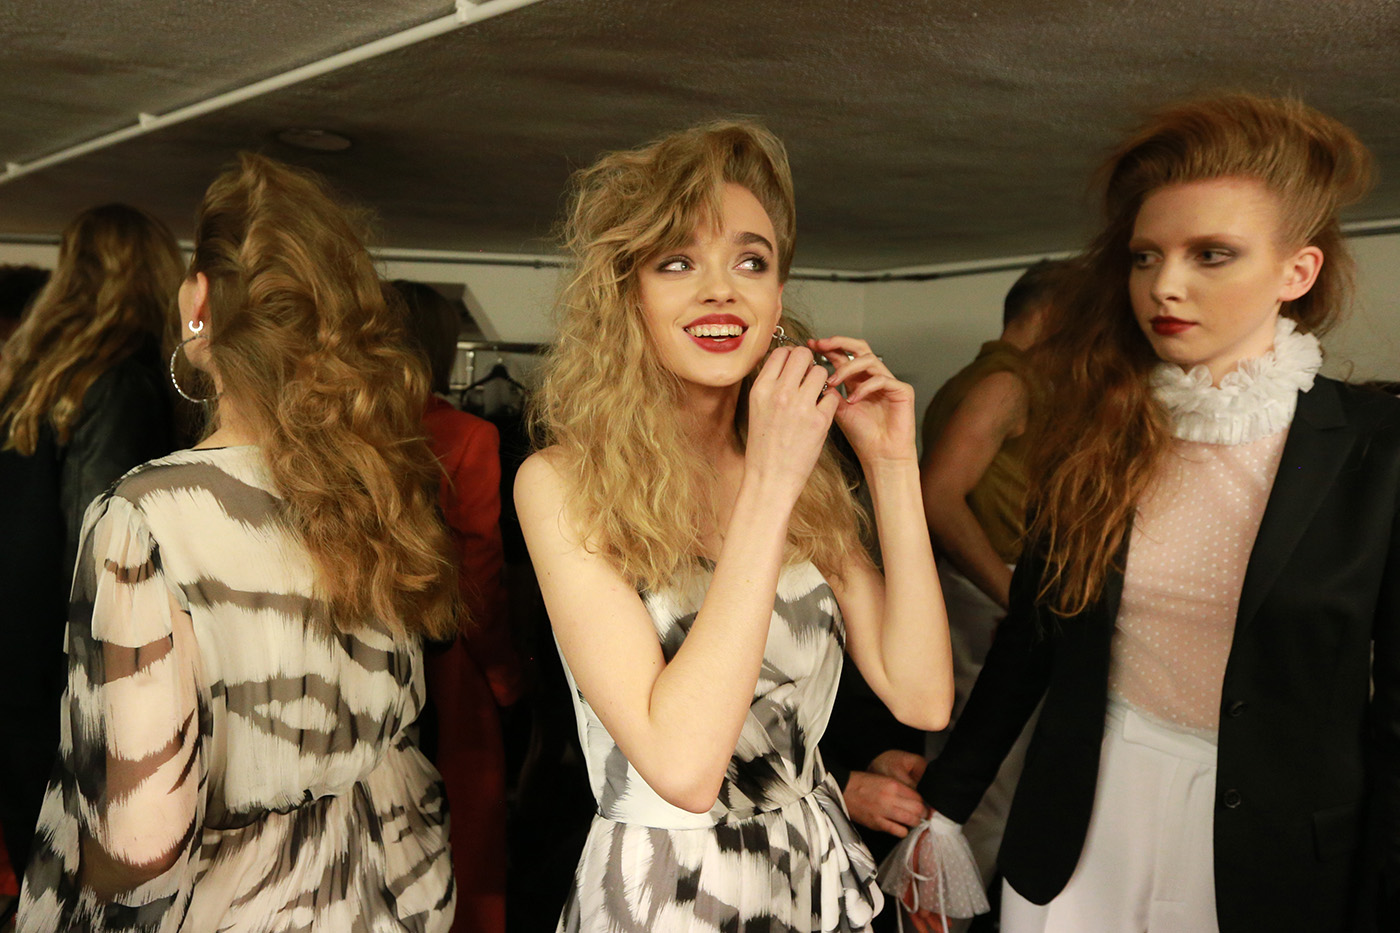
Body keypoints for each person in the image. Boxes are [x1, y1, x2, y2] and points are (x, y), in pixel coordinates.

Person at [904, 93, 1397, 933]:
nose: (1165, 284)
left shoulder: (1377, 448)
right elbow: (1031, 641)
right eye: (1145, 256)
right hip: (1083, 821)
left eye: (1212, 254)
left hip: (1273, 850)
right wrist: (943, 814)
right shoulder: (1096, 430)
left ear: (1297, 272)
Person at [517, 120, 954, 932]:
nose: (721, 289)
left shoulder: (805, 477)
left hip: (818, 873)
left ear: (777, 300)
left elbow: (923, 694)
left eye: (750, 262)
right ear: (629, 294)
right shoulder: (562, 483)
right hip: (675, 890)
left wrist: (892, 465)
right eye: (677, 261)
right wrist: (771, 481)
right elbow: (684, 768)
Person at [18, 154, 458, 932]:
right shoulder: (382, 501)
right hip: (368, 904)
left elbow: (141, 842)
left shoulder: (148, 517)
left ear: (198, 304)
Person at [0, 206, 181, 885]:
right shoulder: (119, 381)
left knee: (42, 863)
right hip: (69, 668)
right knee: (95, 877)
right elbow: (102, 550)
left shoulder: (26, 376)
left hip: (16, 659)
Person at [917, 260, 1066, 915]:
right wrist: (1013, 594)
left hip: (975, 592)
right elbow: (937, 495)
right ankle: (949, 917)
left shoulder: (973, 379)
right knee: (985, 785)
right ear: (1052, 315)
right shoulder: (1005, 383)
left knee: (973, 775)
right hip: (987, 594)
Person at [391, 278, 522, 933]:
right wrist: (504, 677)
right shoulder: (466, 434)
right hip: (448, 664)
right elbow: (477, 572)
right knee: (466, 836)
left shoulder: (334, 428)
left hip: (356, 653)